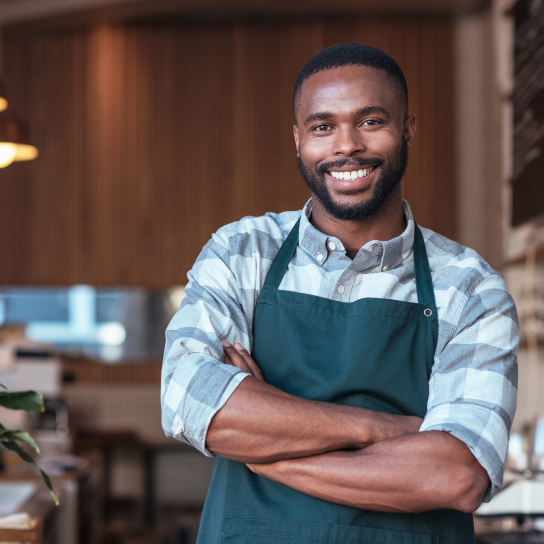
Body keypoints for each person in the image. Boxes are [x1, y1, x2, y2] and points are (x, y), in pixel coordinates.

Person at [161, 43, 518, 544]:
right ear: (298, 139)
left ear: (408, 130)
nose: (345, 146)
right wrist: (384, 428)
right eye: (322, 126)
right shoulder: (243, 251)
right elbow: (193, 406)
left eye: (370, 121)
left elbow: (455, 475)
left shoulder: (470, 285)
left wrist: (264, 456)